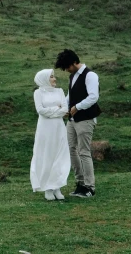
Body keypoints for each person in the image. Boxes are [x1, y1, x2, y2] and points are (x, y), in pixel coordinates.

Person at [55, 49, 101, 198]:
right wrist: (64, 107)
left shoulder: (90, 75)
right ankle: (80, 183)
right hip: (72, 120)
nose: (67, 70)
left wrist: (77, 107)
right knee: (71, 150)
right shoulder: (72, 76)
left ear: (74, 62)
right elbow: (70, 96)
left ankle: (90, 187)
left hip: (85, 119)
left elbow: (93, 97)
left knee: (84, 152)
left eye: (67, 67)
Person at [29, 68, 70, 201]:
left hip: (58, 127)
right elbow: (40, 110)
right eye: (51, 77)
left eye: (54, 76)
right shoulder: (38, 92)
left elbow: (65, 109)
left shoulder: (60, 91)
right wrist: (56, 110)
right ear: (45, 79)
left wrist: (54, 111)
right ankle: (47, 187)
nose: (54, 79)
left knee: (59, 155)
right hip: (45, 129)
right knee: (47, 155)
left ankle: (57, 186)